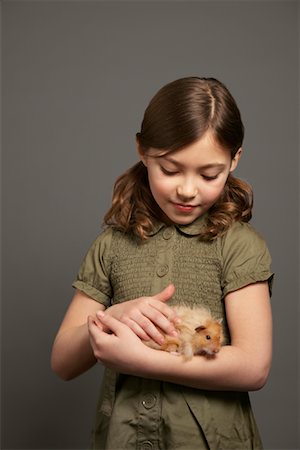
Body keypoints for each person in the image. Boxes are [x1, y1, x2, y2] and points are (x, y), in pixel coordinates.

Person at [51, 77, 274, 450]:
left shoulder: (239, 247)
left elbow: (254, 365)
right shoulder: (111, 245)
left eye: (209, 175)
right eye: (170, 170)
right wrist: (114, 316)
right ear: (142, 149)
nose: (187, 190)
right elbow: (63, 362)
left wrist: (144, 361)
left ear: (234, 159)